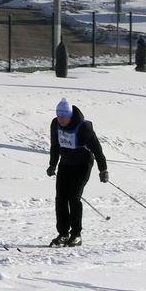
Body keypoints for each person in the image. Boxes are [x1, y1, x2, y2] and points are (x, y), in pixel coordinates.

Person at [47, 98, 108, 247]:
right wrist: (52, 165)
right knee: (60, 198)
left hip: (83, 164)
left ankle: (76, 235)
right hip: (66, 164)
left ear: (70, 115)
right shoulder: (55, 124)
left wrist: (103, 169)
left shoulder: (83, 127)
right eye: (58, 116)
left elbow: (97, 149)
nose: (61, 119)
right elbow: (55, 145)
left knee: (73, 197)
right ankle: (63, 234)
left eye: (64, 116)